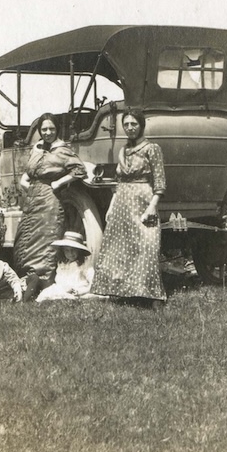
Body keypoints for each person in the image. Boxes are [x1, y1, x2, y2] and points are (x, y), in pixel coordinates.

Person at [91, 108, 167, 307]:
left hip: (143, 201)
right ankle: (125, 291)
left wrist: (152, 207)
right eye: (126, 125)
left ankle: (150, 294)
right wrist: (111, 206)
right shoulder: (123, 150)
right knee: (122, 248)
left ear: (141, 125)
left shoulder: (152, 149)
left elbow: (159, 183)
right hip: (122, 203)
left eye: (134, 124)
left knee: (147, 246)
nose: (130, 128)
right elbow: (118, 181)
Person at [13, 113, 88, 299]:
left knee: (45, 239)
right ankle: (28, 279)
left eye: (51, 129)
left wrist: (60, 182)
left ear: (57, 130)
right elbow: (29, 172)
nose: (48, 132)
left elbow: (80, 170)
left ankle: (44, 280)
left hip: (50, 199)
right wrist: (24, 180)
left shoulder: (62, 150)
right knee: (27, 238)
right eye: (44, 129)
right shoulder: (37, 149)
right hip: (32, 199)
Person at [35, 230, 103, 302]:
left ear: (79, 250)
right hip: (63, 289)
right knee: (47, 293)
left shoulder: (84, 264)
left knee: (86, 296)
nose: (70, 253)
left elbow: (92, 280)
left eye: (73, 250)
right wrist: (65, 287)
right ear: (63, 251)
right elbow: (59, 279)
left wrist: (81, 290)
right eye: (67, 250)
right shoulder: (62, 264)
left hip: (79, 289)